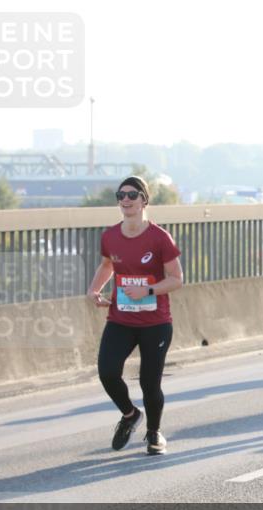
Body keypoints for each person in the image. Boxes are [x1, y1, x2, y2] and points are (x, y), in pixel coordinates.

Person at [88, 176, 184, 455]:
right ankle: (130, 415)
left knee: (149, 383)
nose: (126, 200)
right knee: (107, 371)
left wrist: (148, 290)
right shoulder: (110, 236)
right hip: (121, 319)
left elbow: (176, 278)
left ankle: (154, 433)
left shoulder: (159, 237)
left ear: (144, 200)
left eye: (132, 195)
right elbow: (107, 265)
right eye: (121, 195)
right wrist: (94, 289)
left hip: (156, 322)